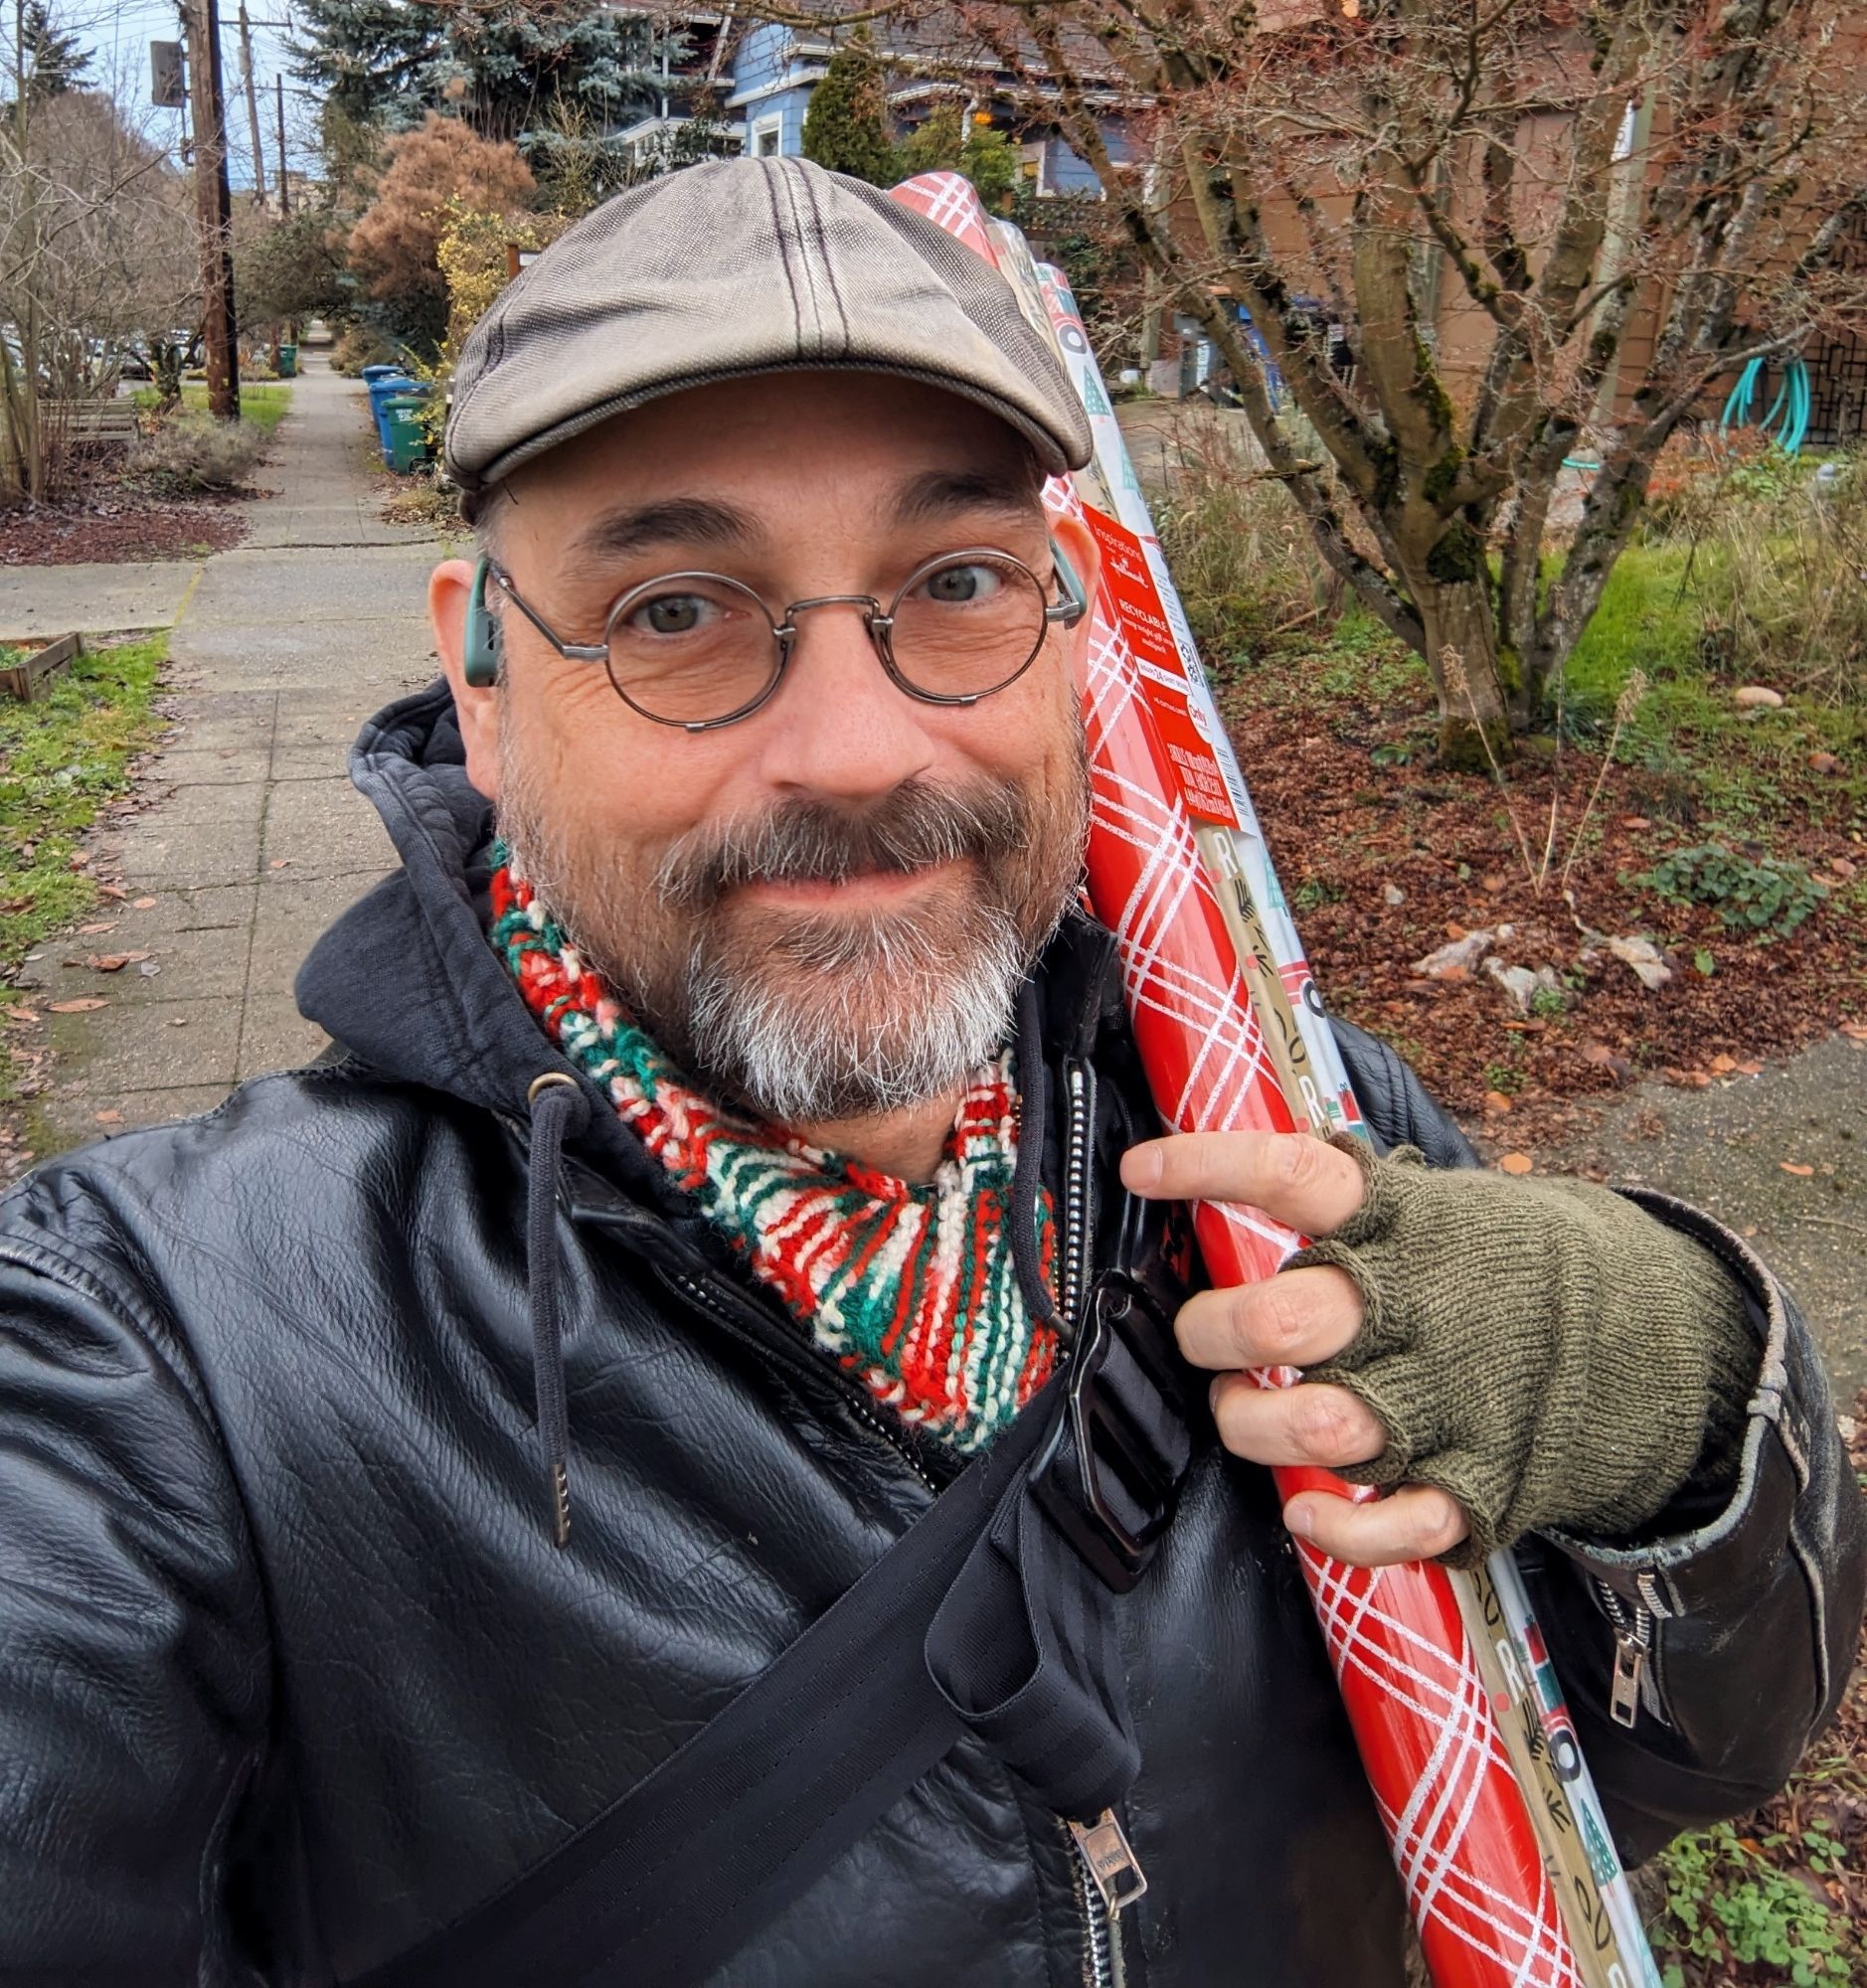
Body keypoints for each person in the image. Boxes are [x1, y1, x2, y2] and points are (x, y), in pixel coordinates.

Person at [0, 157, 1859, 1988]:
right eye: (674, 610)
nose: (856, 747)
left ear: (1074, 641)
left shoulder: (1293, 1151)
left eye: (956, 579)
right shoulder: (162, 1355)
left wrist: (1688, 1418)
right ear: (480, 676)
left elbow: (1633, 1784)